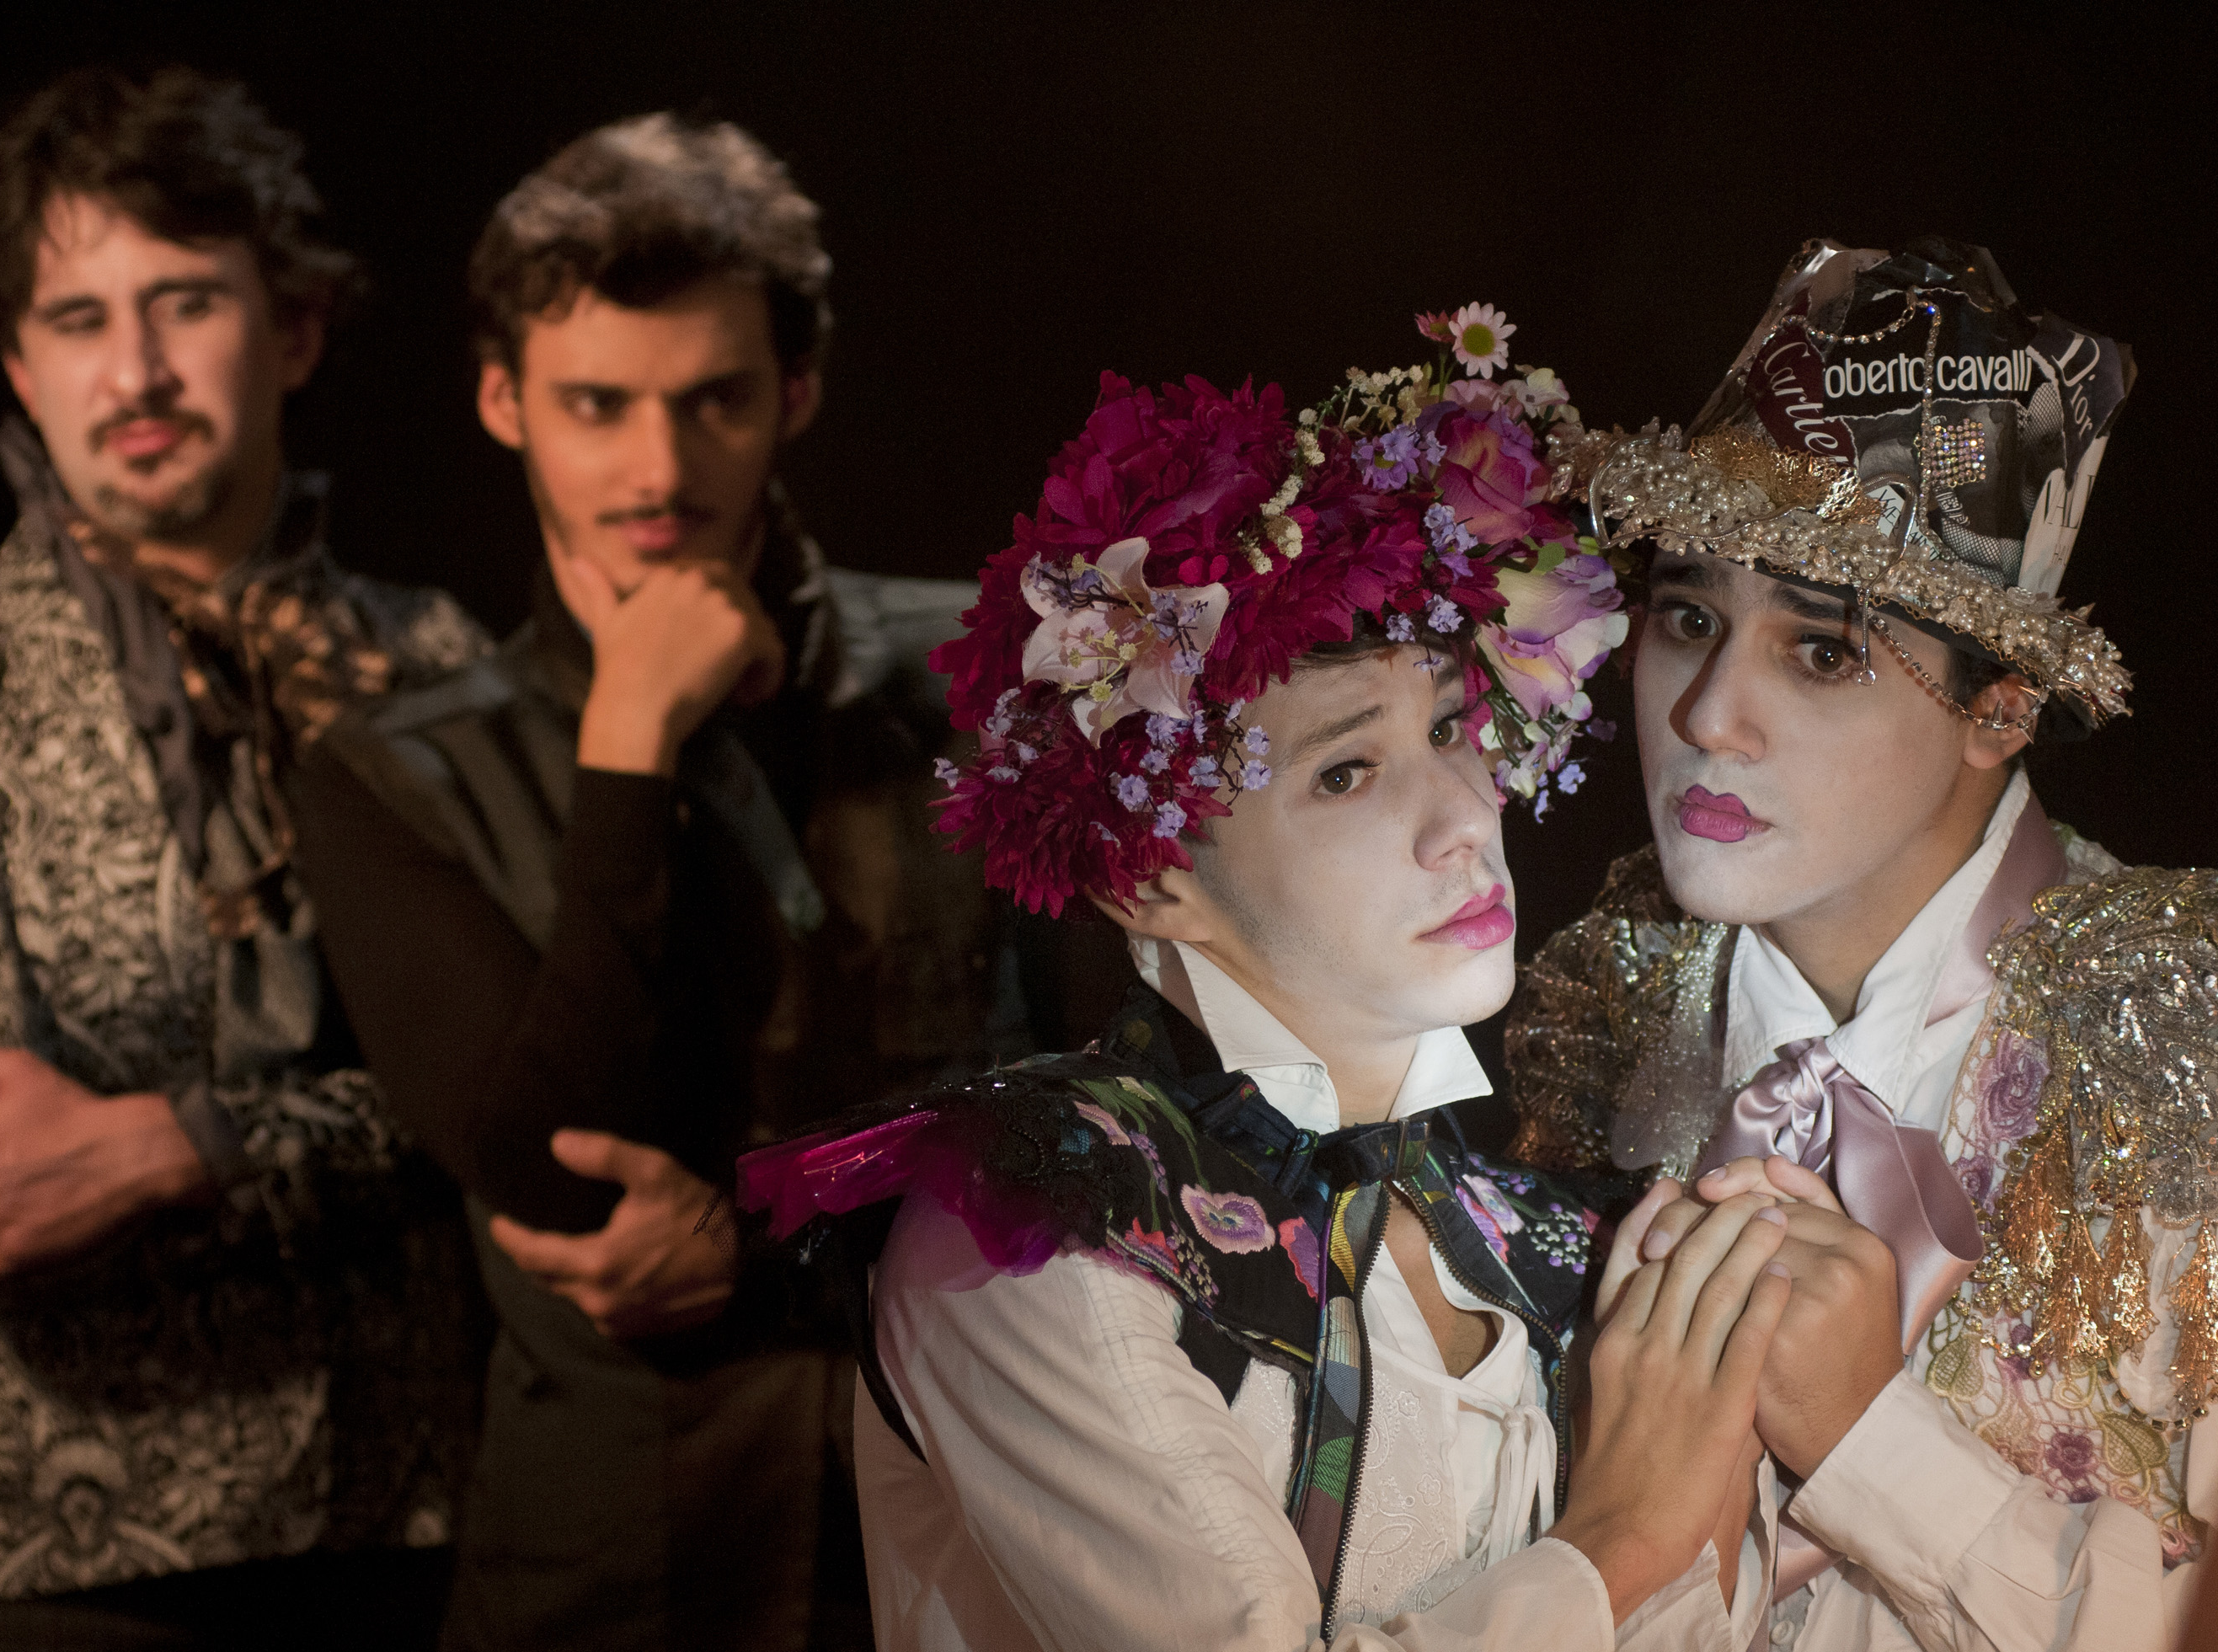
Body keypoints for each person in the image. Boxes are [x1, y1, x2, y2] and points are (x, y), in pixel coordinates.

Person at [738, 333, 1803, 1649]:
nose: (1460, 822)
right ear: (1148, 879)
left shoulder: (1541, 1234)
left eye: (1452, 728)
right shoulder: (1033, 1224)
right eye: (1346, 772)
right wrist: (1622, 1537)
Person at [0, 65, 490, 1649]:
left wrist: (186, 1144)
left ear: (293, 326)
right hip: (56, 1562)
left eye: (185, 301)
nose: (138, 369)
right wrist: (385, 1128)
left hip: (425, 1524)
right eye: (80, 318)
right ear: (19, 368)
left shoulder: (438, 664)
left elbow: (524, 1097)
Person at [291, 114, 1008, 1651]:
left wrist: (760, 1245)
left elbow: (1107, 1102)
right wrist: (626, 741)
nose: (659, 468)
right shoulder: (389, 774)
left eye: (714, 400)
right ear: (503, 399)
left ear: (795, 391)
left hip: (983, 1514)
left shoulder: (981, 677)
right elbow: (550, 1179)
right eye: (596, 404)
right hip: (623, 1567)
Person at [1510, 235, 2218, 1648]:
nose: (1706, 716)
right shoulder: (1597, 1003)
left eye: (1822, 650)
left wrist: (1864, 1440)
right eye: (1686, 616)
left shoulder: (2193, 1039)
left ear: (1997, 712)